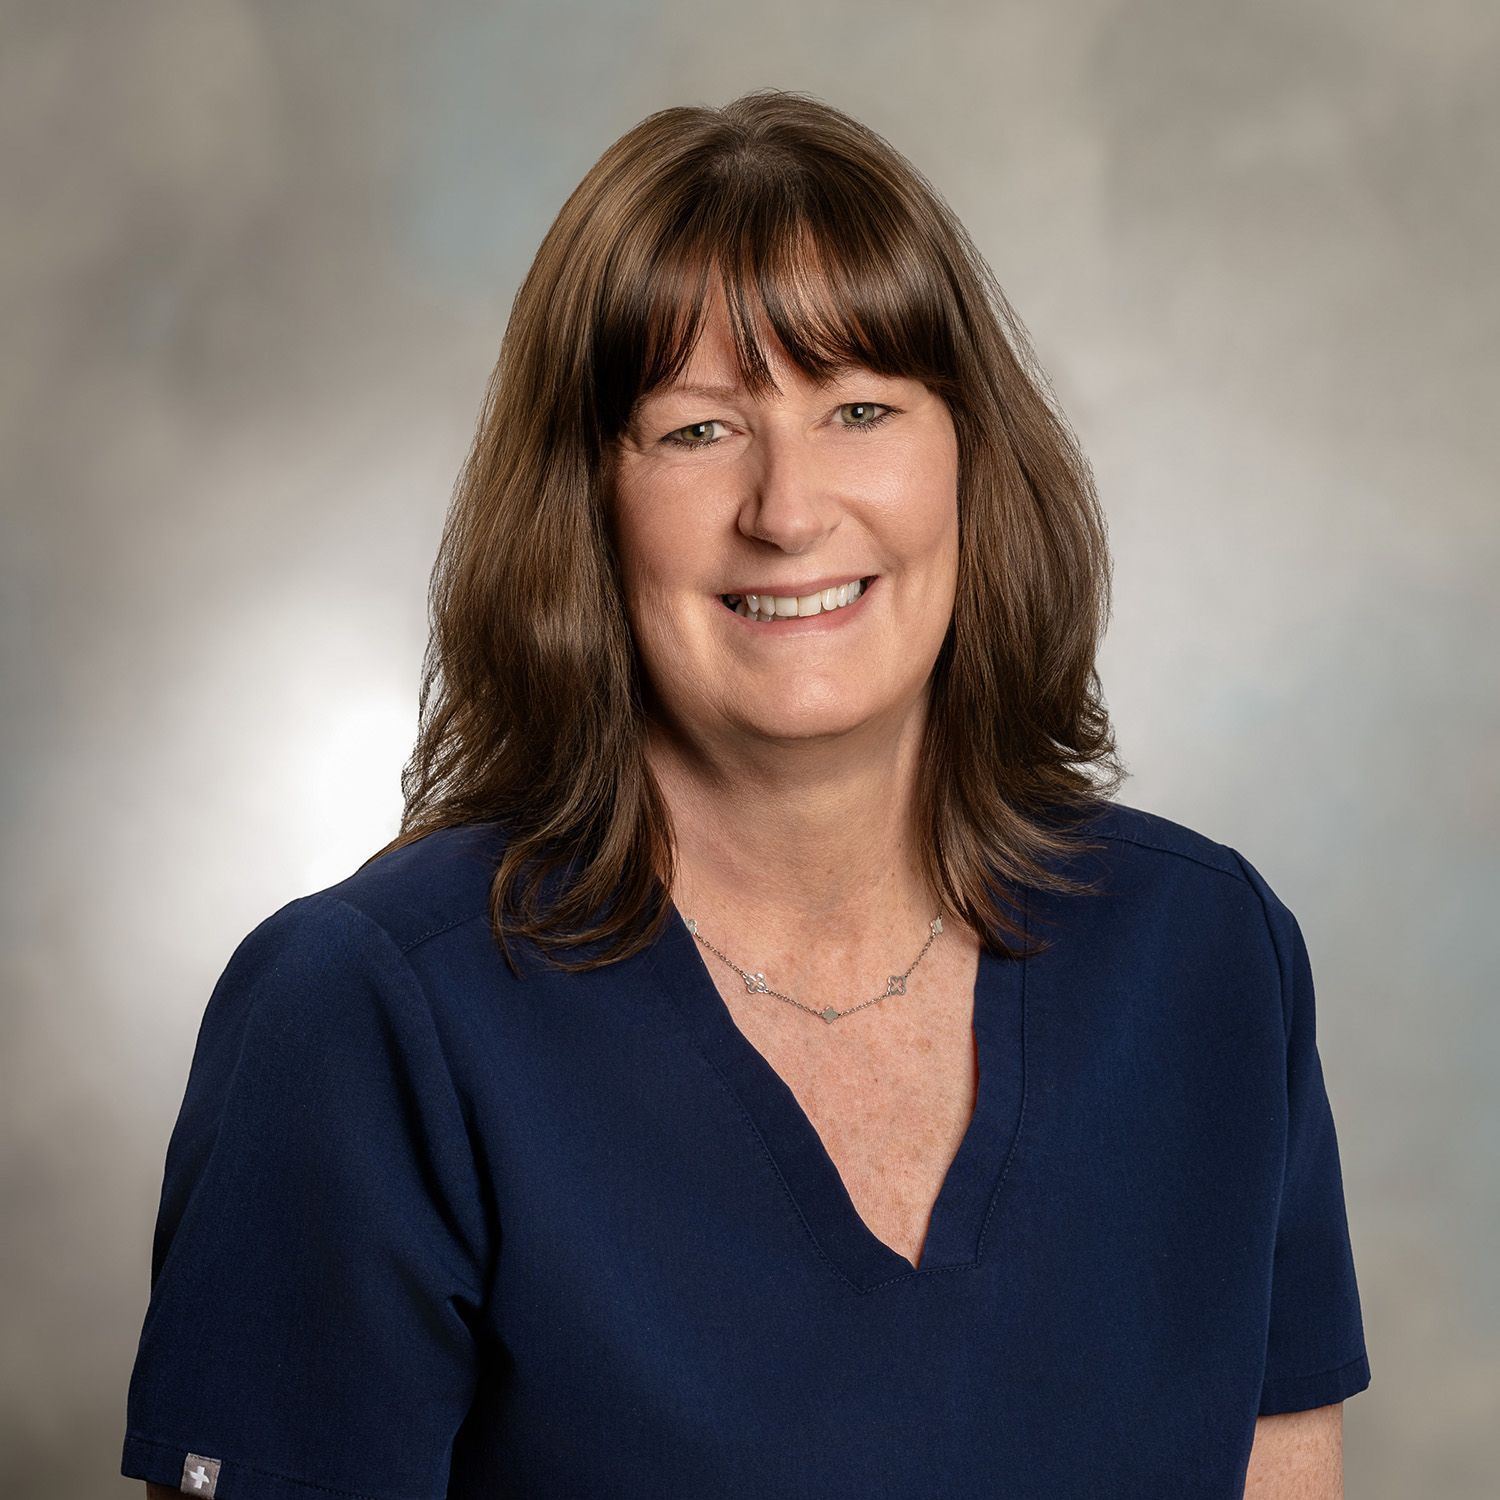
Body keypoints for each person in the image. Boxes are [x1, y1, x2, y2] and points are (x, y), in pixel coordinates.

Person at [122, 88, 1369, 1499]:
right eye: (698, 429)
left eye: (859, 408)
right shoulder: (368, 1016)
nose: (788, 508)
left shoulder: (1207, 960)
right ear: (583, 499)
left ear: (967, 456)